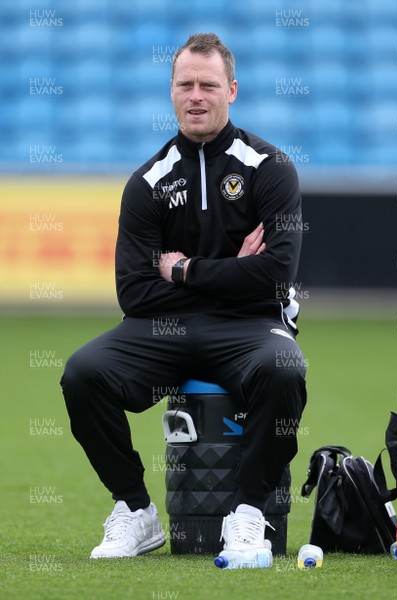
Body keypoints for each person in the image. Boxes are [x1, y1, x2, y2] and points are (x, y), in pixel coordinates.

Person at [61, 32, 307, 563]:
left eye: (208, 85)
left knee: (285, 366)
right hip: (163, 330)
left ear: (232, 90)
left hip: (248, 327)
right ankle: (135, 510)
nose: (196, 95)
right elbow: (134, 292)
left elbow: (276, 275)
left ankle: (247, 516)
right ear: (171, 92)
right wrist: (232, 271)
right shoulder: (146, 183)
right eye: (185, 84)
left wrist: (185, 269)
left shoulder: (271, 168)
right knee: (83, 372)